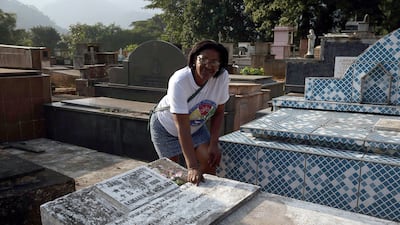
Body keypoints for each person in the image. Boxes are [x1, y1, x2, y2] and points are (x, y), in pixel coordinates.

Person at [149, 40, 229, 185]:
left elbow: (219, 112)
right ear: (194, 59)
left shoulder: (222, 78)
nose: (207, 66)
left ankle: (206, 201)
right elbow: (182, 128)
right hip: (167, 128)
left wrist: (213, 143)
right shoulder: (179, 81)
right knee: (175, 177)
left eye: (214, 62)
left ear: (220, 65)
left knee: (209, 161)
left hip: (196, 127)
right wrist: (192, 166)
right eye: (203, 59)